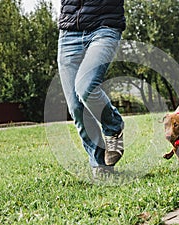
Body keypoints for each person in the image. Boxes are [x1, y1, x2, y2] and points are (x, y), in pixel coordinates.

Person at [57, 0, 126, 177]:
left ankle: (113, 127)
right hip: (69, 32)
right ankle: (100, 164)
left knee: (85, 87)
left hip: (104, 26)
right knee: (75, 106)